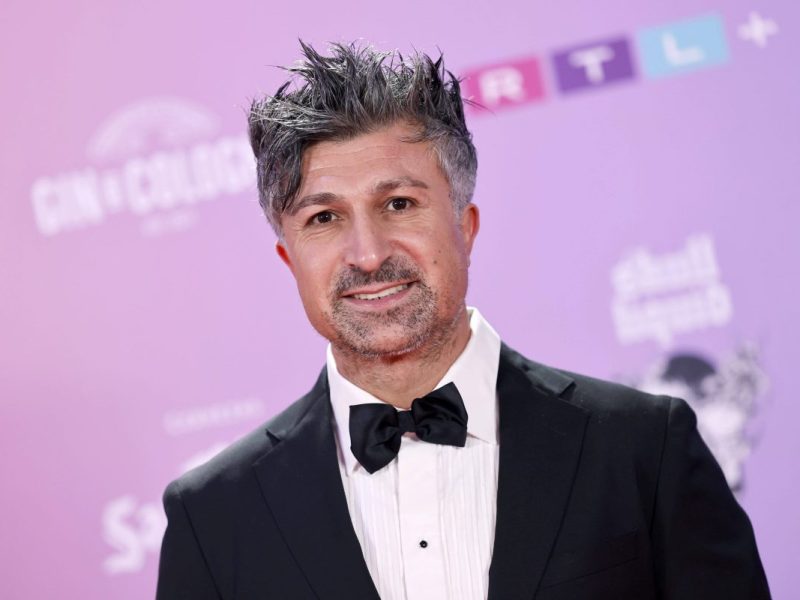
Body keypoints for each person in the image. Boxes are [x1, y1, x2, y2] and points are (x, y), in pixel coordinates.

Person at [156, 41, 770, 600]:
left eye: (399, 203)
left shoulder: (643, 446)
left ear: (465, 227)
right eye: (324, 218)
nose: (367, 254)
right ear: (289, 259)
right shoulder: (212, 516)